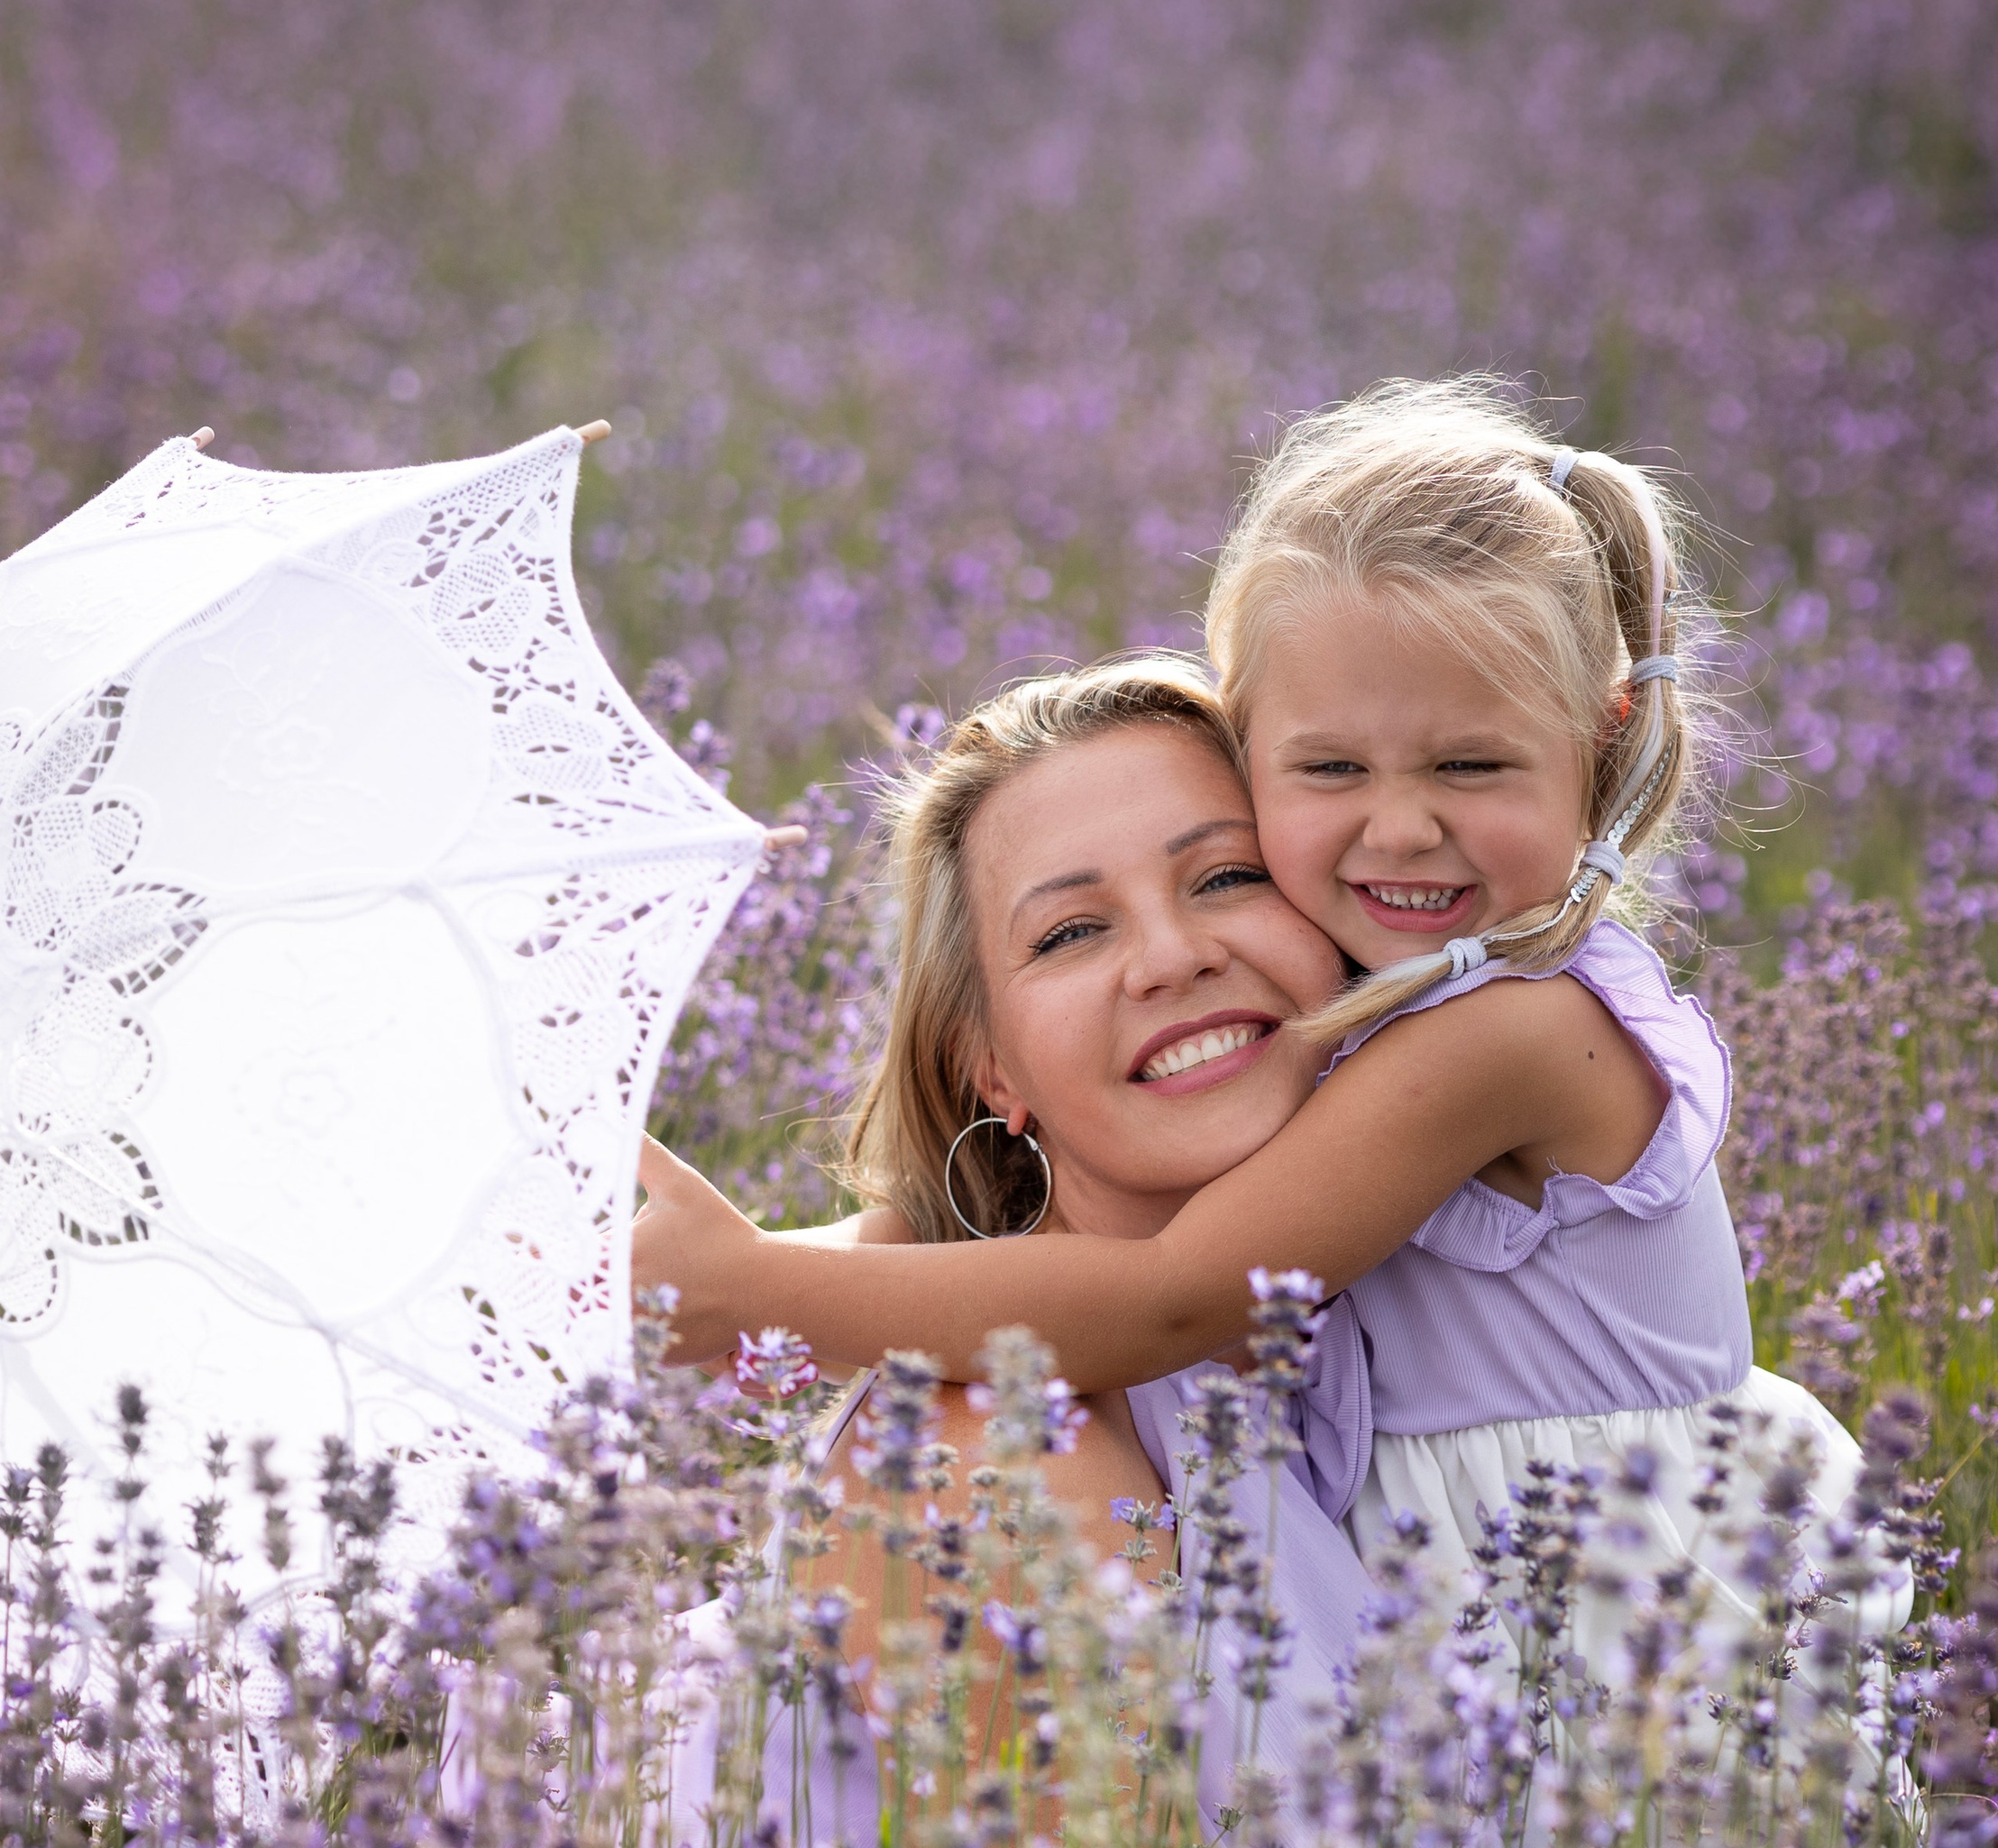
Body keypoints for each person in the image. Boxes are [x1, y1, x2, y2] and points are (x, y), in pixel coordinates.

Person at [637, 378, 1908, 1709]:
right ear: (1252, 753)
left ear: (1605, 740)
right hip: (1472, 1642)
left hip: (1618, 1677)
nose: (1402, 831)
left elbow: (1172, 1291)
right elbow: (1011, 1238)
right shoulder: (1373, 983)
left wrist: (753, 1295)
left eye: (1470, 768)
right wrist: (708, 1268)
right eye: (1330, 772)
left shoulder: (1514, 1029)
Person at [658, 654, 1395, 1848]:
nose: (1175, 956)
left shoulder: (1429, 1324)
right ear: (991, 1069)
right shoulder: (982, 1458)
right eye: (1069, 934)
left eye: (1228, 877)